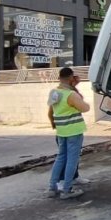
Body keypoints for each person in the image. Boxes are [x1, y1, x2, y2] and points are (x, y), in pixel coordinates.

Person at [47, 67, 90, 199]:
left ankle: (52, 187)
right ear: (71, 78)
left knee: (61, 157)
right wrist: (75, 89)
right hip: (74, 130)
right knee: (72, 159)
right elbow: (85, 108)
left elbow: (51, 110)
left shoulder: (54, 92)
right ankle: (67, 189)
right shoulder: (71, 94)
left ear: (59, 78)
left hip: (61, 130)